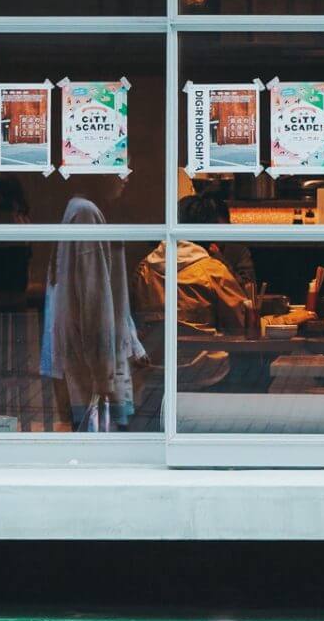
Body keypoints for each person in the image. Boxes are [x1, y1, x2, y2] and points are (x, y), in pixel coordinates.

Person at [43, 175, 148, 432]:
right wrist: (104, 377)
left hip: (97, 353)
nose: (126, 176)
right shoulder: (85, 212)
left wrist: (133, 343)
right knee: (100, 438)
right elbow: (94, 295)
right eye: (119, 167)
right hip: (94, 358)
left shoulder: (85, 210)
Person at [134, 196, 251, 336]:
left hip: (159, 357)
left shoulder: (144, 269)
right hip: (207, 357)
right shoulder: (213, 271)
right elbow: (243, 325)